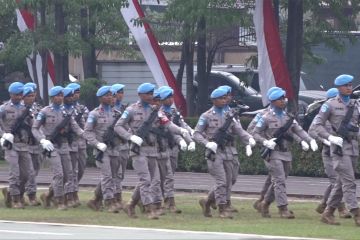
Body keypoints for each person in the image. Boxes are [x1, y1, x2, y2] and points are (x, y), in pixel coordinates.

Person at [114, 83, 188, 219]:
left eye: (151, 93)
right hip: (139, 150)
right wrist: (131, 137)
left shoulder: (156, 111)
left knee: (148, 180)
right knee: (146, 179)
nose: (150, 96)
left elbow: (168, 123)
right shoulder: (131, 110)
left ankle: (130, 205)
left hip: (153, 150)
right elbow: (118, 126)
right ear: (140, 95)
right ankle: (149, 209)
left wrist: (181, 130)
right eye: (147, 94)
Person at [253, 87, 318, 219]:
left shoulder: (288, 117)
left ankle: (265, 203)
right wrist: (265, 142)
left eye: (283, 98)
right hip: (272, 153)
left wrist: (309, 140)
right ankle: (283, 208)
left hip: (286, 152)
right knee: (279, 180)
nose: (283, 101)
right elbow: (255, 133)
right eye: (280, 99)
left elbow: (298, 130)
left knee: (278, 181)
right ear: (272, 101)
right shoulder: (265, 118)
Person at [193, 87, 256, 219]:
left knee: (230, 180)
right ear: (214, 100)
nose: (224, 100)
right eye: (221, 98)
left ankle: (208, 201)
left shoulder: (231, 115)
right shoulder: (206, 116)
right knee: (221, 181)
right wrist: (207, 143)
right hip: (214, 153)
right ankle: (222, 209)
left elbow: (239, 130)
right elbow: (196, 134)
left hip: (230, 151)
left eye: (225, 97)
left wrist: (249, 139)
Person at [313, 74, 360, 226]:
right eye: (346, 85)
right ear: (339, 88)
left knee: (341, 183)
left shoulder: (355, 104)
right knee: (349, 182)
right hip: (339, 149)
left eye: (350, 85)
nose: (349, 88)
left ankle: (327, 213)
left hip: (352, 147)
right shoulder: (330, 104)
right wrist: (330, 137)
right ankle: (356, 213)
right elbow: (317, 125)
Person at [32, 86, 84, 210]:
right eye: (57, 96)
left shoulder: (66, 112)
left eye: (61, 95)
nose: (60, 98)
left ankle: (49, 195)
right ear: (52, 97)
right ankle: (59, 200)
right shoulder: (44, 112)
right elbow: (35, 128)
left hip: (64, 145)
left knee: (68, 174)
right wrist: (42, 140)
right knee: (59, 174)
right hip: (50, 146)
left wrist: (86, 135)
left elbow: (75, 126)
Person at [308, 88, 351, 219]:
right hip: (328, 152)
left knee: (338, 180)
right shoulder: (322, 116)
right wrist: (325, 140)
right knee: (335, 180)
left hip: (341, 151)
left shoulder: (343, 116)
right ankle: (341, 208)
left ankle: (323, 204)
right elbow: (312, 130)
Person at [84, 86, 123, 213]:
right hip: (102, 150)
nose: (110, 97)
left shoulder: (117, 114)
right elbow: (87, 132)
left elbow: (125, 129)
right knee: (107, 176)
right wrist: (97, 144)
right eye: (106, 95)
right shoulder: (94, 114)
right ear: (100, 98)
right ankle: (109, 202)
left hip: (115, 149)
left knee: (114, 176)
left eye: (111, 95)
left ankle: (95, 200)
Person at [0, 82, 34, 209]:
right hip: (11, 145)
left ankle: (12, 193)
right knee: (15, 172)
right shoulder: (4, 108)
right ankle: (16, 199)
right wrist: (3, 135)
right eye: (16, 94)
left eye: (21, 94)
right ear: (11, 94)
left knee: (26, 174)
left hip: (24, 145)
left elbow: (33, 125)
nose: (19, 97)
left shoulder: (26, 108)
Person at [66, 82, 89, 206]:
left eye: (78, 92)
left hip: (81, 142)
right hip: (68, 143)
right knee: (71, 170)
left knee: (80, 169)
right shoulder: (63, 109)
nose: (76, 95)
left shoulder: (82, 108)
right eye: (74, 93)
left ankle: (68, 189)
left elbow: (85, 124)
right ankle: (70, 193)